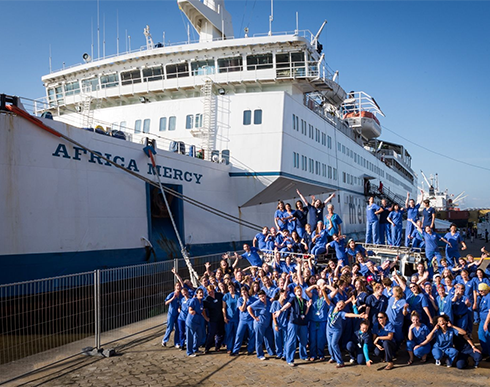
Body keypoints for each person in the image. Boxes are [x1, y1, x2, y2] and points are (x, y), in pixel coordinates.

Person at [274, 285, 312, 366]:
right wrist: (280, 310)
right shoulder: (293, 299)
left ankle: (303, 355)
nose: (299, 292)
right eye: (297, 291)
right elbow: (287, 305)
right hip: (293, 322)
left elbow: (304, 313)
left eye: (300, 291)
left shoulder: (305, 301)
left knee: (303, 340)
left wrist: (308, 307)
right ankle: (290, 359)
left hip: (302, 322)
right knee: (292, 340)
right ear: (295, 292)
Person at [325, 300, 366, 368]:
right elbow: (327, 299)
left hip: (336, 331)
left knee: (334, 344)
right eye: (340, 305)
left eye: (342, 306)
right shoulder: (332, 307)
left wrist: (359, 315)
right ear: (337, 304)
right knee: (329, 344)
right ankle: (333, 357)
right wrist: (323, 290)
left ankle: (340, 362)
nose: (340, 307)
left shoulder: (341, 313)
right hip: (329, 329)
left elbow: (349, 315)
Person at [247, 290, 276, 360]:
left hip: (267, 324)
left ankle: (271, 352)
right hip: (259, 324)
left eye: (263, 296)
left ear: (265, 295)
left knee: (269, 338)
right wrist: (254, 317)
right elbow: (249, 308)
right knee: (259, 339)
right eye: (260, 297)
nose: (262, 298)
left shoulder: (268, 301)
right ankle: (260, 354)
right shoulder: (258, 303)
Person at [230, 286, 256, 356]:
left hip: (251, 320)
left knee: (252, 334)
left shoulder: (253, 299)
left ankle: (250, 350)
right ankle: (236, 350)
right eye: (242, 292)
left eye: (245, 291)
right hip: (242, 320)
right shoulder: (240, 300)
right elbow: (242, 309)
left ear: (247, 292)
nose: (244, 293)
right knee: (239, 334)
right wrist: (245, 301)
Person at [203, 285, 225, 353]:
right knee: (211, 333)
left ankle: (217, 346)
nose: (210, 293)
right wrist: (206, 318)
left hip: (220, 318)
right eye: (209, 291)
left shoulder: (219, 295)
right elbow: (203, 310)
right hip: (212, 319)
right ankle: (207, 348)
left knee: (220, 333)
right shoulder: (207, 300)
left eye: (211, 291)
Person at [186, 288, 205, 357]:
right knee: (190, 337)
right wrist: (191, 311)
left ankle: (195, 349)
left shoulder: (201, 301)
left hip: (198, 321)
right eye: (199, 293)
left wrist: (206, 318)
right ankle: (189, 352)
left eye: (202, 292)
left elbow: (202, 310)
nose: (201, 294)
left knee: (199, 336)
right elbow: (190, 308)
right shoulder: (194, 300)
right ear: (196, 294)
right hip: (191, 321)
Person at [162, 282, 183, 347]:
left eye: (179, 286)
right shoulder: (171, 294)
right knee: (170, 327)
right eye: (177, 286)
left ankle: (176, 342)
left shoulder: (181, 295)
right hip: (171, 314)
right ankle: (165, 340)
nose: (178, 287)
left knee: (177, 328)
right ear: (175, 287)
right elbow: (166, 303)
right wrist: (172, 298)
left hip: (178, 314)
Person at [270, 289, 289, 359]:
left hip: (285, 323)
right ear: (281, 294)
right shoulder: (275, 303)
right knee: (277, 339)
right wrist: (275, 324)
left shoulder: (286, 303)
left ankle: (285, 354)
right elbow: (273, 315)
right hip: (277, 323)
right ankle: (279, 353)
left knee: (285, 339)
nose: (286, 295)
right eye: (285, 294)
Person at [222, 283, 239, 353]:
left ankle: (236, 348)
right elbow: (223, 308)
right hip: (229, 317)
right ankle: (229, 347)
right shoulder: (226, 296)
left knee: (236, 333)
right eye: (229, 287)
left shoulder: (238, 295)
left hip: (237, 317)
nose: (231, 289)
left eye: (232, 287)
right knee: (229, 333)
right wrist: (225, 317)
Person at [476, 282, 490, 358]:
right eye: (479, 291)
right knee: (481, 335)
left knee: (488, 336)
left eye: (481, 291)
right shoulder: (484, 296)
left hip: (487, 320)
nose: (480, 292)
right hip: (482, 319)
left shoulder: (489, 297)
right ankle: (485, 351)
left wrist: (486, 323)